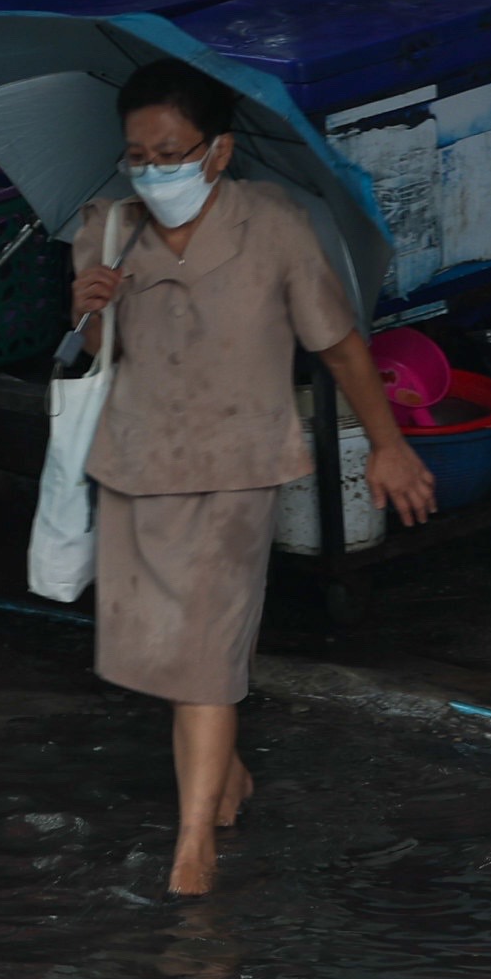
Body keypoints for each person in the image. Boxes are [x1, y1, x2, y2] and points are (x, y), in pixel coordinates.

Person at [68, 58, 438, 899]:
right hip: (138, 464)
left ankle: (192, 850)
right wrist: (91, 307)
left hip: (239, 466)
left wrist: (389, 445)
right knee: (163, 653)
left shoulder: (274, 225)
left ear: (219, 151)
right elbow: (102, 353)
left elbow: (339, 344)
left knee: (201, 653)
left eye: (172, 152)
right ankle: (225, 774)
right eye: (139, 154)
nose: (154, 170)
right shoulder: (108, 228)